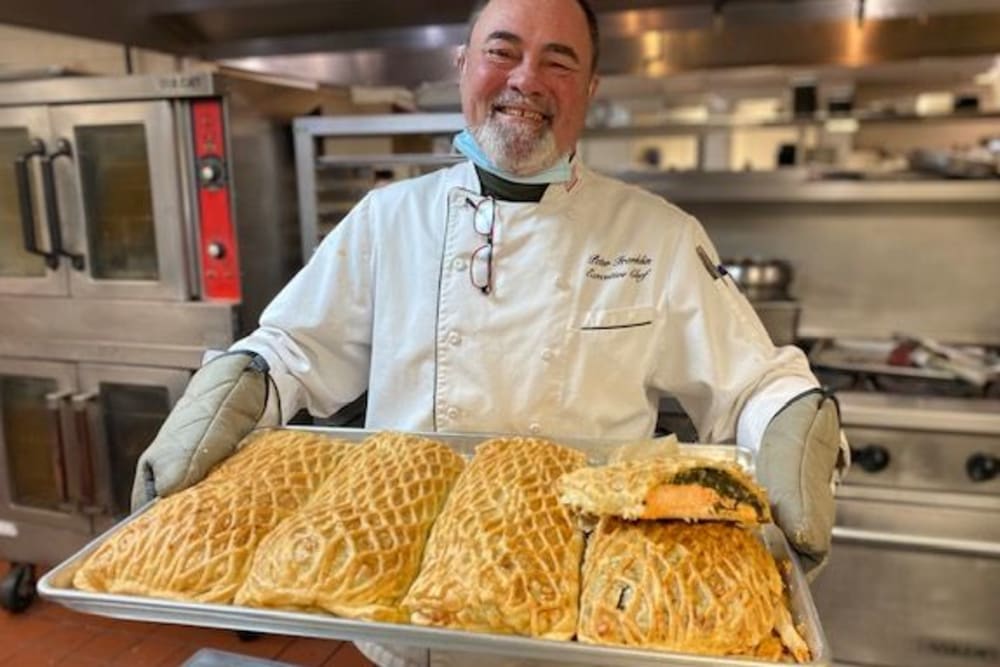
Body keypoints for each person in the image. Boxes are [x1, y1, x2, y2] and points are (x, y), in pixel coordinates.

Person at [132, 0, 848, 665]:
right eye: (502, 52)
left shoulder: (656, 236)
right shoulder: (390, 219)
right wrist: (235, 384)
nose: (526, 79)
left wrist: (795, 424)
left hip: (578, 613)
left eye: (558, 61)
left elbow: (753, 379)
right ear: (464, 66)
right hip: (403, 596)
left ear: (590, 87)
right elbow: (294, 349)